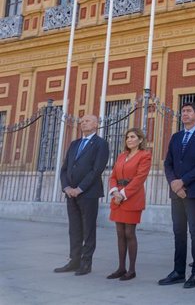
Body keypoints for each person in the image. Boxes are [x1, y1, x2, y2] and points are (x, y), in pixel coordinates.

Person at [159, 102, 195, 289]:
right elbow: (168, 164)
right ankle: (178, 271)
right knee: (178, 232)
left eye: (189, 111)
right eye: (183, 111)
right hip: (177, 193)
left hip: (194, 191)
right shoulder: (176, 137)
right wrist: (174, 183)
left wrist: (183, 182)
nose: (185, 114)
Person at [54, 114, 109, 276]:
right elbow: (64, 169)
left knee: (88, 229)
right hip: (70, 194)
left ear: (96, 124)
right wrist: (66, 187)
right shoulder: (74, 144)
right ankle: (74, 260)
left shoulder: (101, 144)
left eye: (87, 121)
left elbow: (97, 169)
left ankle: (86, 263)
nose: (83, 123)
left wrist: (80, 188)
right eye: (82, 121)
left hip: (89, 194)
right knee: (74, 228)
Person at [106, 127, 152, 281]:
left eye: (133, 137)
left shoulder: (145, 155)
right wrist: (115, 192)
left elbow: (140, 178)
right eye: (127, 137)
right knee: (120, 234)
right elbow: (113, 176)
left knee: (129, 233)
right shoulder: (121, 156)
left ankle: (131, 270)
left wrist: (123, 194)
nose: (130, 139)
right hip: (117, 197)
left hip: (132, 197)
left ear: (140, 140)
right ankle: (121, 268)